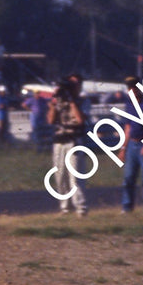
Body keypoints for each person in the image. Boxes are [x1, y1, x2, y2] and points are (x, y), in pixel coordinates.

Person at [47, 75, 88, 216]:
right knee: (60, 176)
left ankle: (80, 208)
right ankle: (64, 207)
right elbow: (51, 120)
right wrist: (53, 105)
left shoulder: (82, 101)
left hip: (74, 141)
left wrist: (72, 103)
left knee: (75, 177)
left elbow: (81, 120)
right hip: (59, 141)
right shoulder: (59, 101)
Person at [118, 77, 143, 213]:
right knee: (129, 177)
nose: (132, 91)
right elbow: (128, 127)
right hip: (132, 145)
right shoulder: (129, 104)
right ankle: (127, 206)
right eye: (130, 88)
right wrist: (123, 148)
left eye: (134, 87)